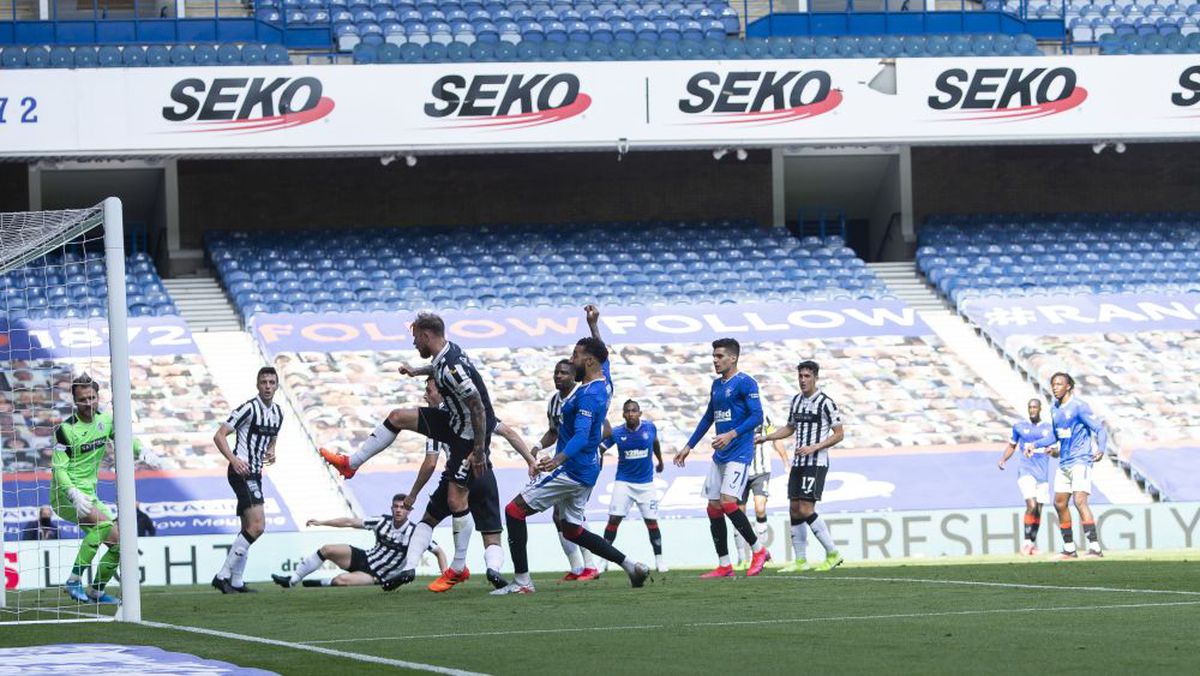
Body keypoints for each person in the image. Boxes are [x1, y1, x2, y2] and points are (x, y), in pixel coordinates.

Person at [321, 313, 506, 591]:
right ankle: (351, 463)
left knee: (456, 501)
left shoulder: (453, 366)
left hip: (466, 435)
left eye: (415, 337)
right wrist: (416, 372)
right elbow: (441, 373)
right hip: (452, 421)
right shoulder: (446, 354)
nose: (413, 343)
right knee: (397, 416)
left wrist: (479, 450)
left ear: (427, 335)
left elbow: (478, 407)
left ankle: (457, 567)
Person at [493, 334, 650, 595]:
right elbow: (604, 357)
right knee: (573, 530)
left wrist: (558, 459)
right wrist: (592, 325)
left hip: (571, 469)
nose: (571, 359)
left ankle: (522, 581)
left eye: (575, 355)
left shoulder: (587, 396)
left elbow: (581, 434)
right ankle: (631, 566)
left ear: (587, 361)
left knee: (513, 511)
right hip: (588, 471)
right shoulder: (605, 383)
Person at [411, 376, 538, 593]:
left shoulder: (438, 419)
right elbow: (508, 432)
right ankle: (493, 569)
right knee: (491, 535)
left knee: (429, 520)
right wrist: (530, 460)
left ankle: (411, 567)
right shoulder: (476, 412)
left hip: (457, 478)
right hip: (484, 475)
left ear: (442, 392)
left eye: (429, 390)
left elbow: (431, 461)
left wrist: (412, 494)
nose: (425, 394)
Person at [674, 338, 771, 578]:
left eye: (719, 356)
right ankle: (725, 564)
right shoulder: (717, 385)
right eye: (714, 356)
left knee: (728, 503)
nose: (715, 360)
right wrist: (689, 446)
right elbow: (708, 417)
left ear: (733, 357)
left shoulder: (746, 383)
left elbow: (757, 416)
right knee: (713, 508)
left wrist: (731, 434)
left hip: (739, 452)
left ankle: (759, 551)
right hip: (720, 455)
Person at [51, 374, 150, 604]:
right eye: (83, 399)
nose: (88, 403)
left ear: (98, 397)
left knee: (119, 543)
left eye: (92, 397)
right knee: (105, 524)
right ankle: (74, 580)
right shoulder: (65, 430)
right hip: (65, 495)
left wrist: (141, 450)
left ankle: (96, 590)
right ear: (75, 401)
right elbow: (59, 469)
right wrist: (72, 493)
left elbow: (126, 438)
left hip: (89, 494)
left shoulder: (105, 421)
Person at [756, 360, 845, 573]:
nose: (803, 380)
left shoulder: (826, 402)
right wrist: (766, 438)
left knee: (806, 508)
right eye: (800, 377)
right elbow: (789, 428)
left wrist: (815, 447)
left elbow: (839, 434)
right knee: (794, 509)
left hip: (816, 463)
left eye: (807, 376)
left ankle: (833, 552)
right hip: (799, 462)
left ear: (815, 377)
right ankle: (801, 560)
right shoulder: (796, 401)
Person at [272, 493, 446, 588]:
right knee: (327, 549)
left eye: (403, 507)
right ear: (391, 508)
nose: (399, 510)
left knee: (340, 581)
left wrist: (444, 575)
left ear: (410, 510)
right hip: (365, 557)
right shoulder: (382, 521)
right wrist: (321, 522)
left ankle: (321, 583)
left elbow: (439, 551)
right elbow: (349, 521)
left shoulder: (416, 532)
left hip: (377, 575)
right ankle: (292, 580)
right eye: (396, 506)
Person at [212, 367, 283, 594]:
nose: (268, 386)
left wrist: (272, 450)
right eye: (264, 382)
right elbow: (219, 435)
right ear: (257, 385)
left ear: (277, 385)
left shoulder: (278, 413)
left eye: (272, 382)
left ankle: (236, 581)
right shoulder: (248, 408)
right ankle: (222, 575)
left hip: (256, 473)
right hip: (242, 472)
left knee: (247, 527)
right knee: (258, 526)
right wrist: (233, 460)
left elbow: (272, 437)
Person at [599, 399, 667, 573]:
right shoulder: (617, 433)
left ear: (640, 413)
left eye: (634, 410)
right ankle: (603, 560)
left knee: (651, 521)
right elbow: (600, 448)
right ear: (623, 414)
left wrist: (659, 460)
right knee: (614, 519)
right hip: (624, 482)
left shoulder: (650, 428)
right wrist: (597, 463)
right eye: (627, 411)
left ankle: (659, 560)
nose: (630, 414)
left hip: (646, 484)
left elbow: (655, 443)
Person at [1049, 372, 1107, 559]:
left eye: (1059, 384)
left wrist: (1101, 448)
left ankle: (1095, 548)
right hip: (1064, 461)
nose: (1055, 387)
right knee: (1059, 503)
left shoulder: (1079, 406)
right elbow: (1056, 436)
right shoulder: (1054, 409)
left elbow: (1099, 428)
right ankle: (1069, 548)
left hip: (1081, 459)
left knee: (1079, 501)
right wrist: (1042, 446)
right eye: (1053, 384)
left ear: (1068, 387)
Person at [998, 398, 1057, 556]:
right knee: (1031, 505)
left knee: (1038, 509)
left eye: (1035, 407)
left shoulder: (1048, 429)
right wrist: (1003, 459)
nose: (1032, 410)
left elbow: (1056, 451)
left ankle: (1031, 544)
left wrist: (1053, 452)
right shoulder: (1020, 427)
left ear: (1040, 409)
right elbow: (1012, 446)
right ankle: (1025, 543)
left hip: (1042, 475)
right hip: (1026, 471)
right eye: (1030, 407)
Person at [733, 412, 788, 570]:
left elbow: (775, 439)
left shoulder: (765, 417)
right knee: (738, 514)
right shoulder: (736, 416)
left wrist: (785, 460)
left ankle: (760, 554)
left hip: (761, 471)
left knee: (760, 508)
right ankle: (742, 558)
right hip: (740, 471)